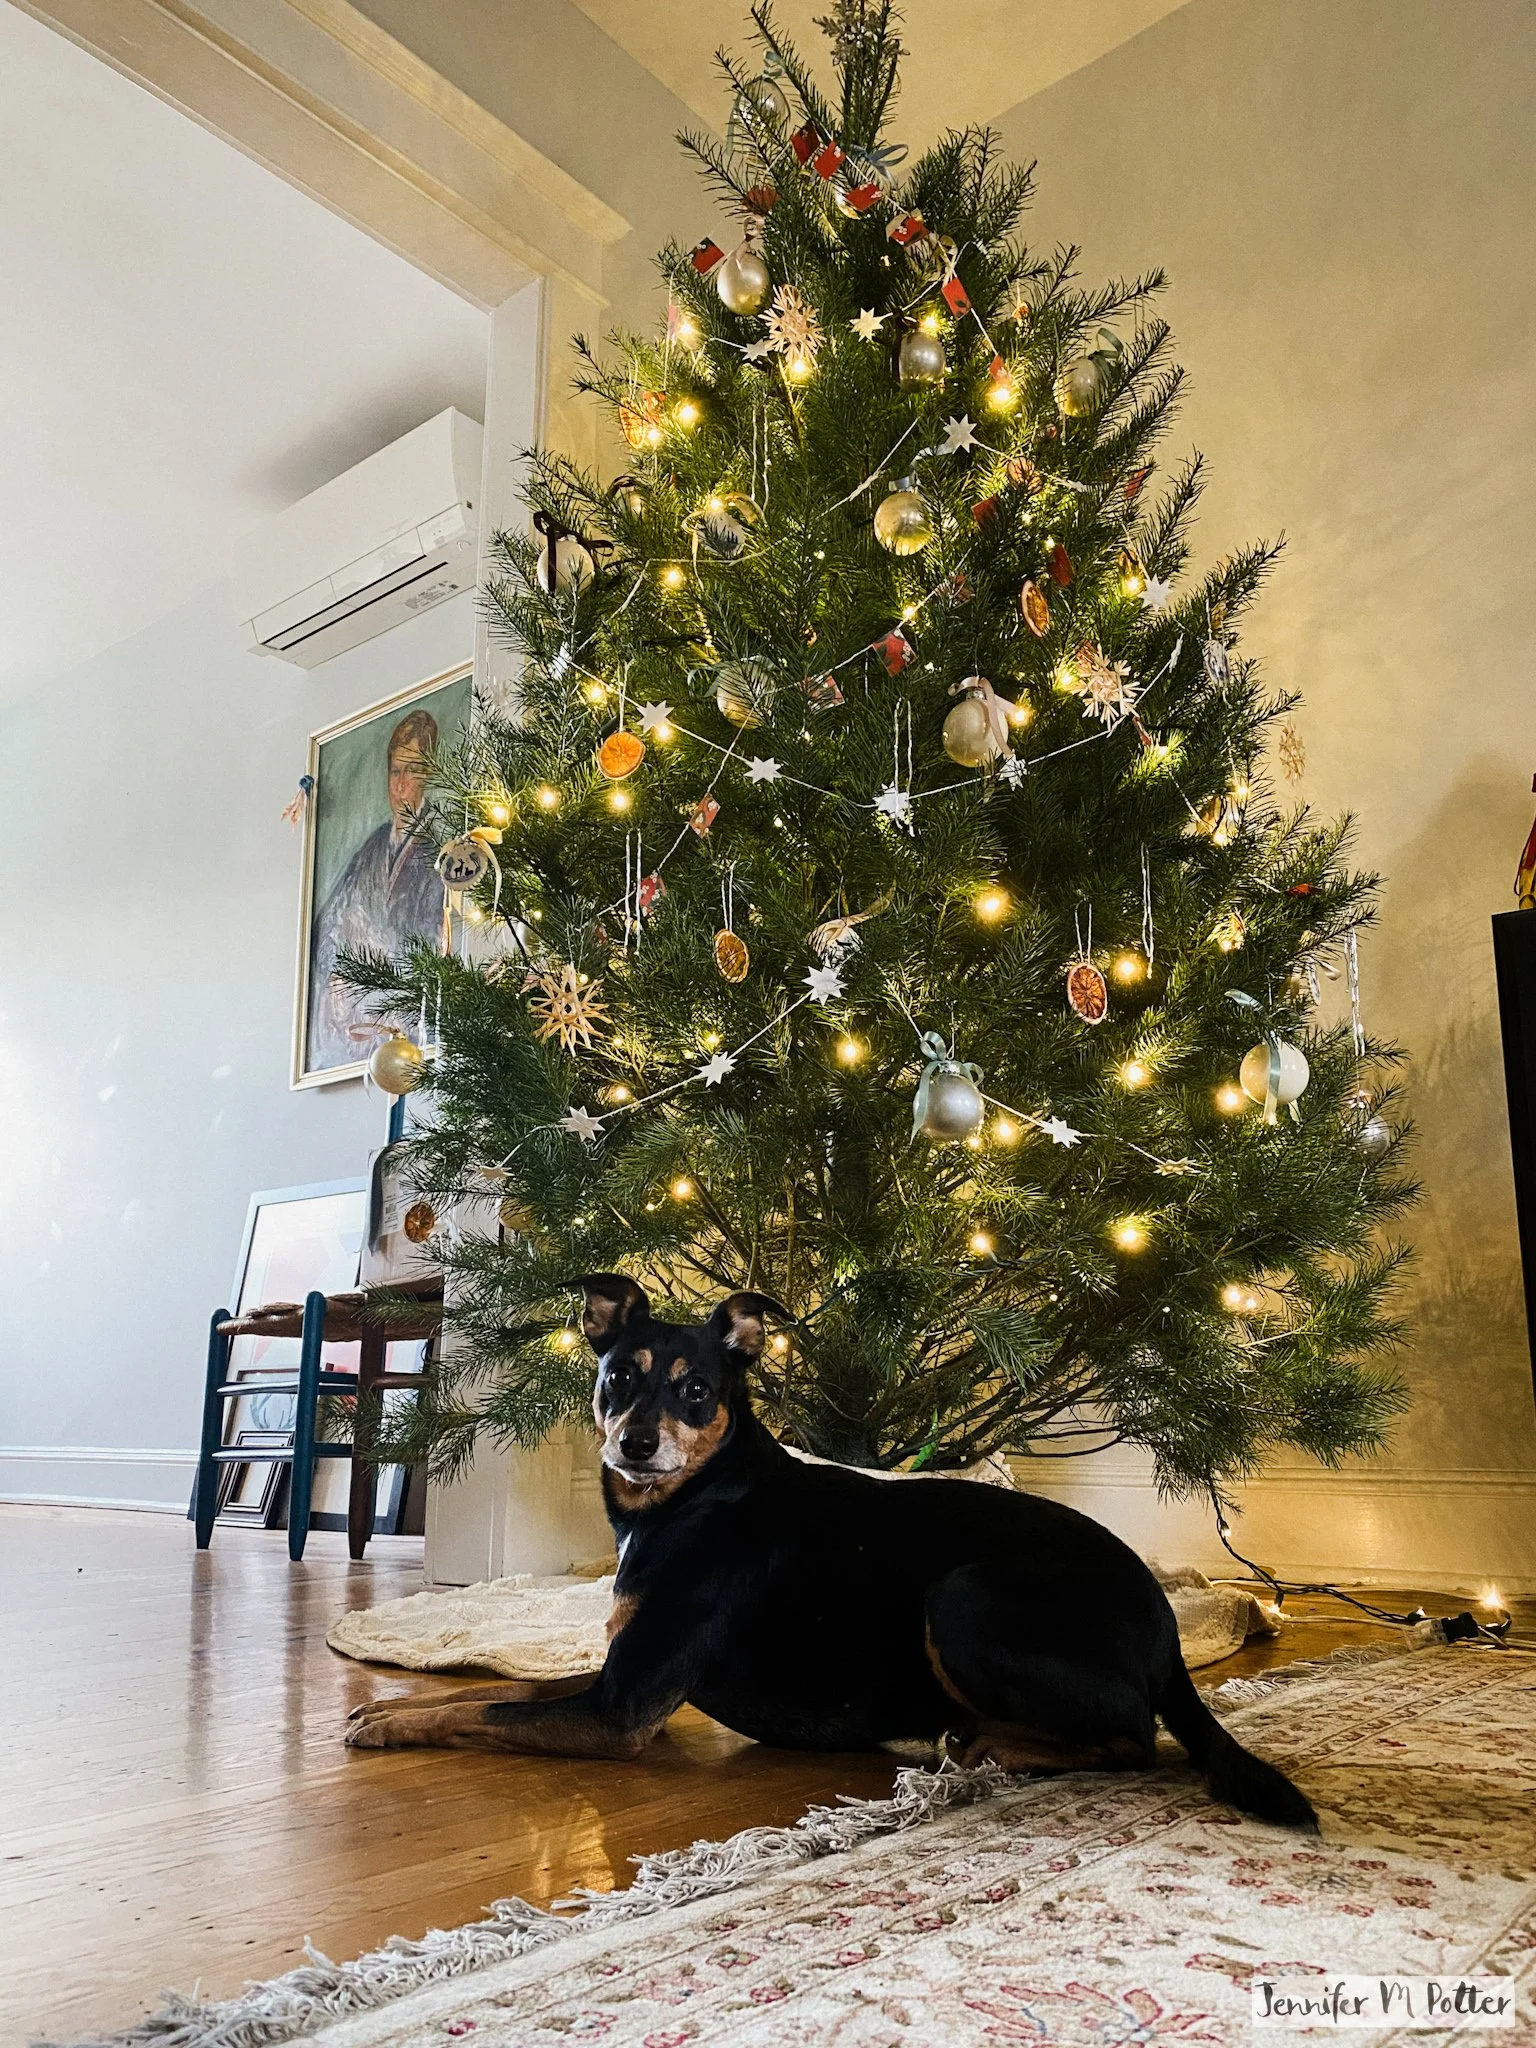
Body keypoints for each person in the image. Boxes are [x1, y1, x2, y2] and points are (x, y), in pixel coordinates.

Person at [306, 707, 445, 1073]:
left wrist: (373, 945)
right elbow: (328, 926)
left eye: (412, 771)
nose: (400, 785)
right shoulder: (374, 845)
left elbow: (434, 947)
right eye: (394, 771)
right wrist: (339, 965)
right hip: (356, 1021)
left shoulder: (438, 853)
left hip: (402, 1025)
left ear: (427, 775)